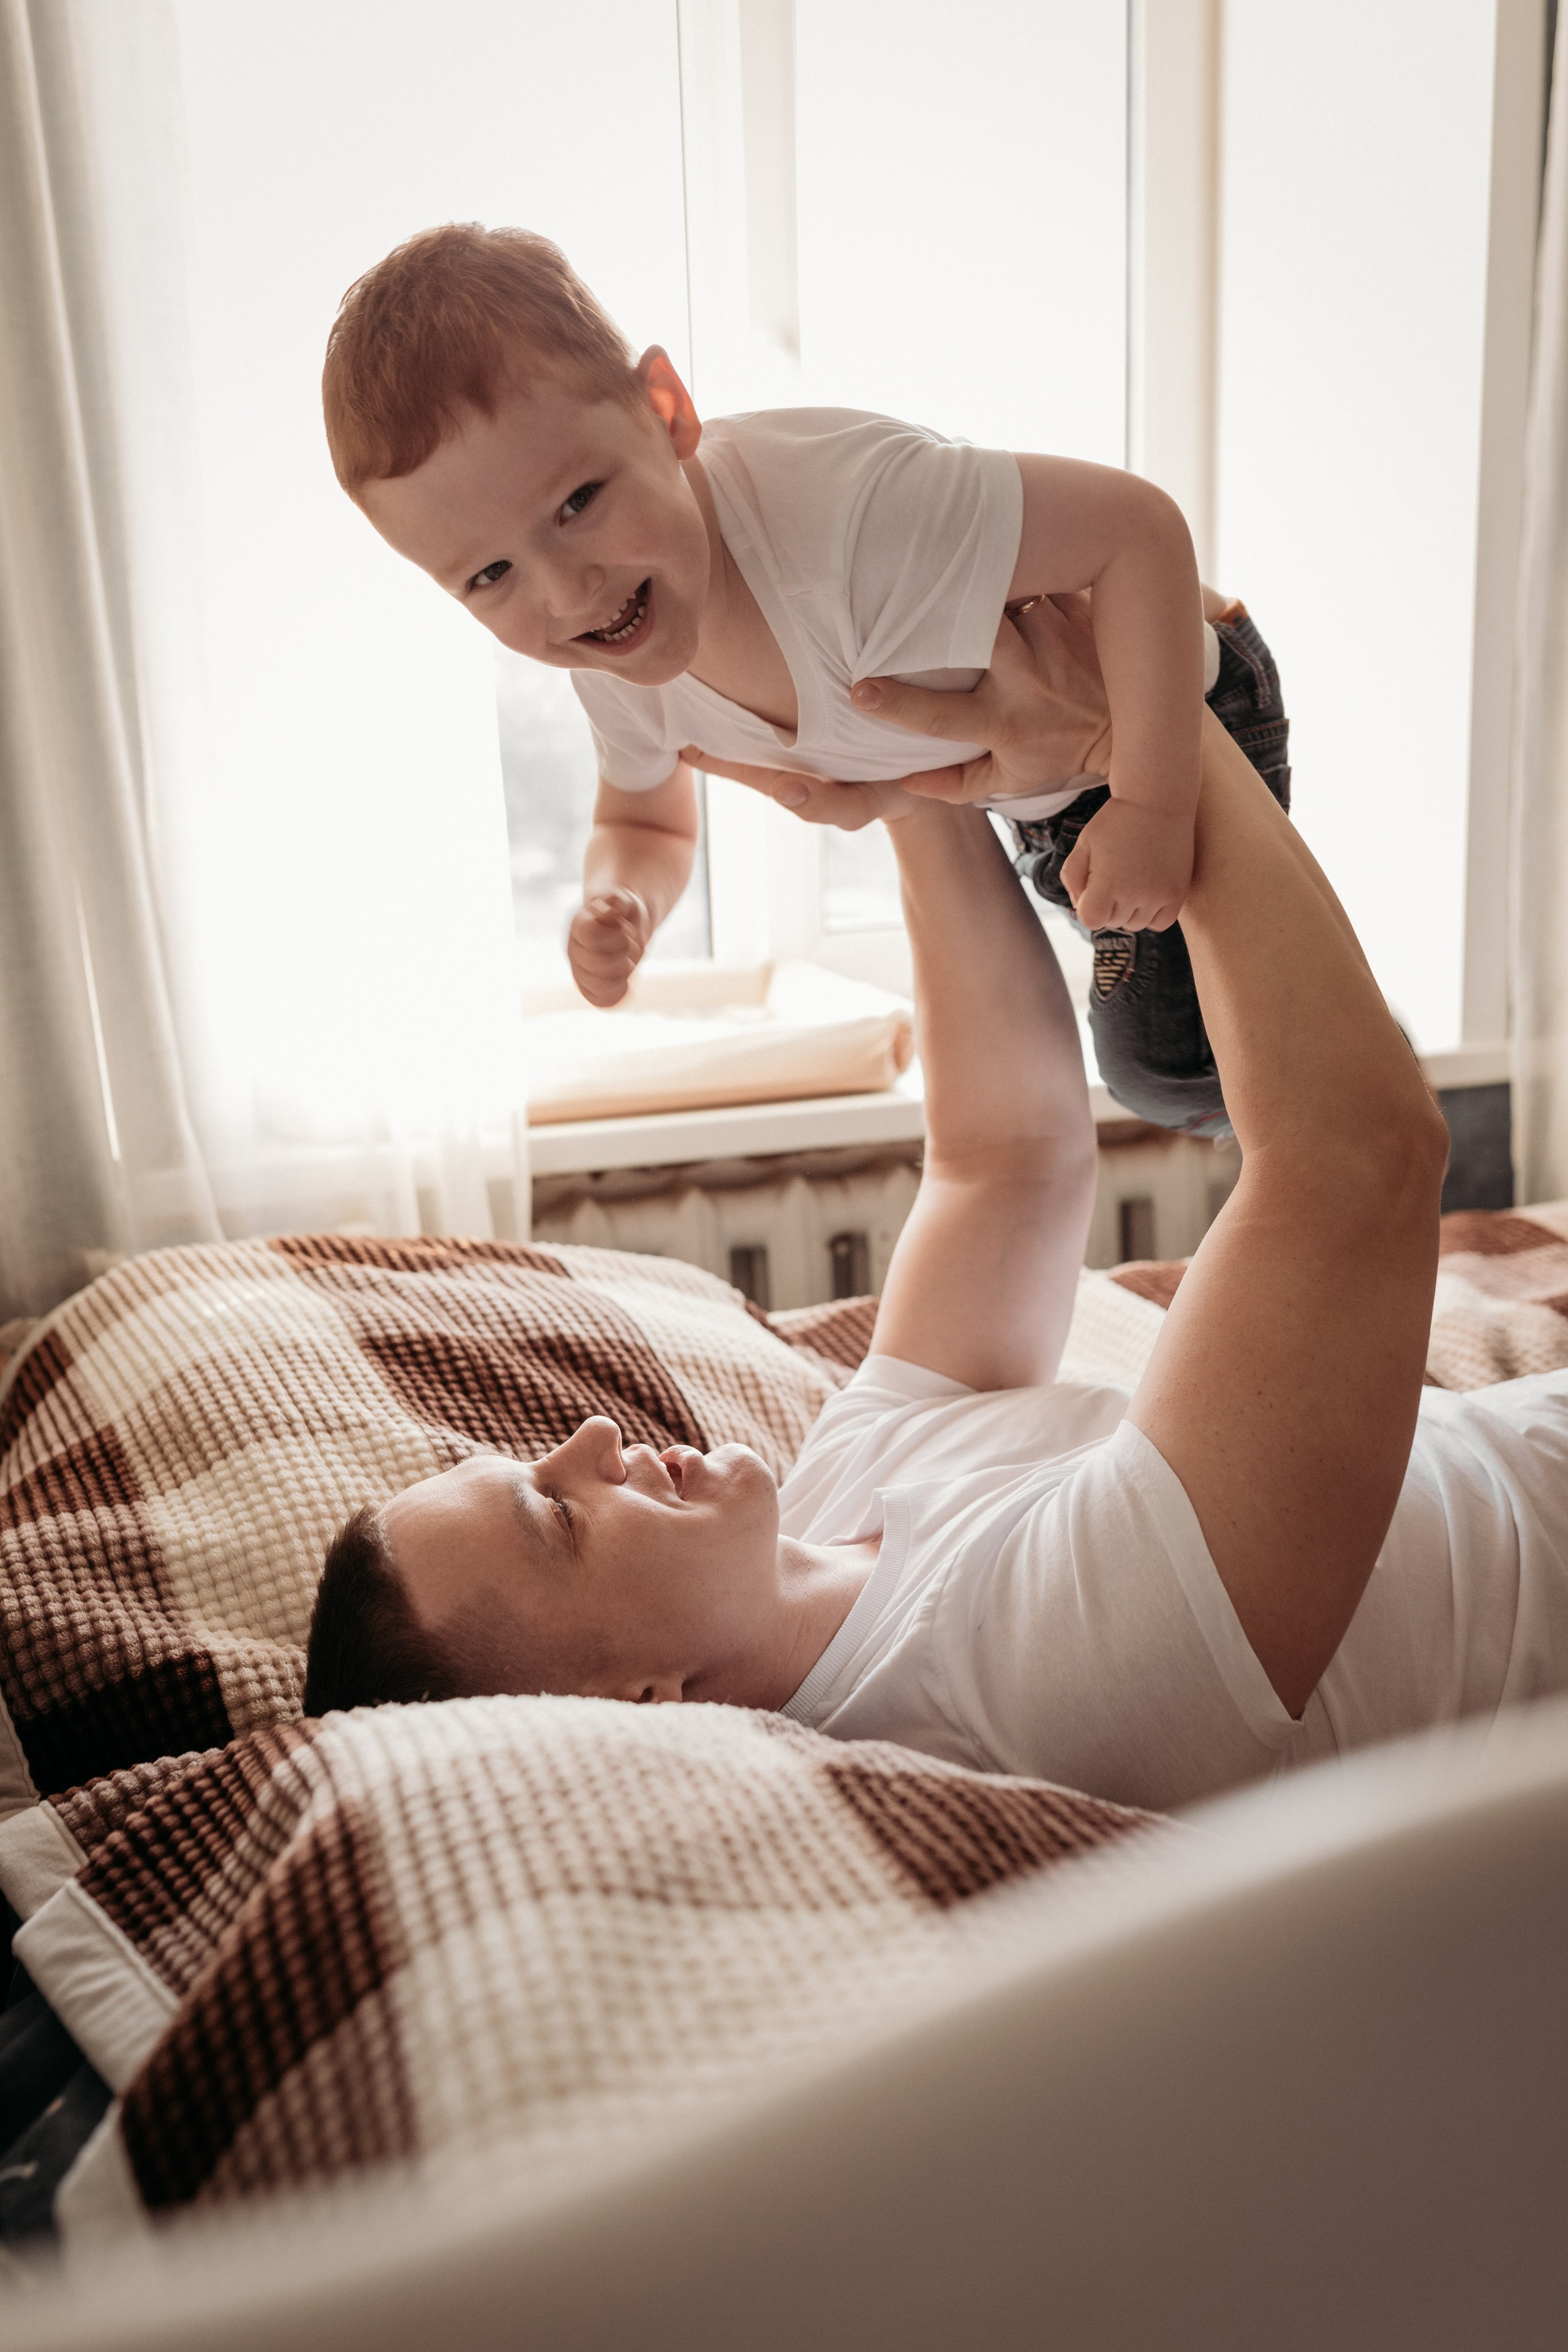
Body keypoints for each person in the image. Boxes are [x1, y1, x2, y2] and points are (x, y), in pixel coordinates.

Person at [304, 597, 1568, 1815]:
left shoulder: (834, 1501)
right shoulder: (1023, 1686)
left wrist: (895, 773)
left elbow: (1004, 1160)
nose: (583, 1440)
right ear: (637, 1700)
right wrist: (1132, 740)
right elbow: (1357, 1162)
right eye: (553, 1517)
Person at [320, 222, 1288, 1136]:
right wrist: (620, 905)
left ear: (666, 411)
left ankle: (1335, 1077)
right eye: (490, 576)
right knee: (1174, 1058)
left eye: (579, 501)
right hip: (1037, 793)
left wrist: (1153, 804)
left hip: (1177, 706)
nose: (567, 591)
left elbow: (1140, 530)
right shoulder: (613, 664)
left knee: (1167, 1068)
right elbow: (643, 824)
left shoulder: (855, 521)